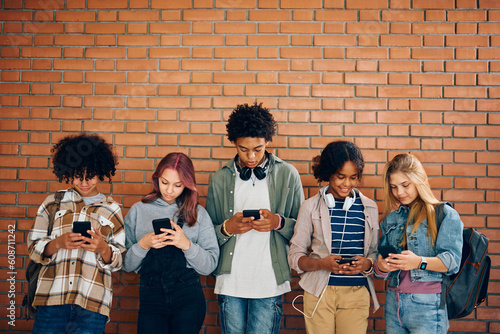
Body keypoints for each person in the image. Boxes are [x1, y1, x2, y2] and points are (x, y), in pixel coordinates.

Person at [206, 102, 304, 334]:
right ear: (233, 143)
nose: (251, 156)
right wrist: (227, 228)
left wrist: (278, 223)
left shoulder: (288, 174)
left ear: (268, 142)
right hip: (231, 281)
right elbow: (206, 234)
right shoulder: (219, 179)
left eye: (258, 149)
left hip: (269, 281)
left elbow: (304, 231)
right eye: (243, 149)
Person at [27, 133, 126, 334]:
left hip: (92, 305)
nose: (83, 182)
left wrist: (102, 248)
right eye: (77, 176)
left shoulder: (112, 208)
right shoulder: (52, 203)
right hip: (51, 300)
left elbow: (119, 260)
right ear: (68, 173)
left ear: (100, 172)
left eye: (89, 176)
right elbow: (32, 247)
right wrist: (57, 243)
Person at [288, 140, 380, 334]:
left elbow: (374, 252)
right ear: (328, 172)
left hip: (356, 294)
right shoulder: (309, 207)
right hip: (319, 293)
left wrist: (367, 264)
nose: (347, 184)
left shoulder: (369, 208)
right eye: (340, 177)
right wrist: (323, 264)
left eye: (353, 177)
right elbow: (295, 257)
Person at [123, 152, 219, 334]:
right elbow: (126, 266)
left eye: (178, 185)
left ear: (188, 185)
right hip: (151, 298)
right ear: (156, 178)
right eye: (164, 182)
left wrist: (186, 245)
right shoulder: (138, 210)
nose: (169, 190)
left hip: (188, 298)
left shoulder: (198, 214)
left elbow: (209, 266)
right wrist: (143, 244)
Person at [375, 153, 463, 334]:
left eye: (405, 185)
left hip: (428, 305)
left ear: (419, 180)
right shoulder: (390, 220)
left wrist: (418, 262)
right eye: (393, 187)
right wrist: (382, 266)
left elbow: (452, 262)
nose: (399, 192)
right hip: (394, 303)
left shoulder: (444, 214)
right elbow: (380, 272)